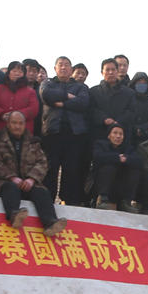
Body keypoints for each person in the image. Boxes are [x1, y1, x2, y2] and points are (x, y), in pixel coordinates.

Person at [0, 111, 66, 236]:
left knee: (42, 192)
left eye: (20, 123)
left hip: (28, 184)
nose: (17, 126)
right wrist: (11, 177)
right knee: (10, 188)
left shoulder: (34, 142)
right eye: (14, 123)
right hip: (4, 183)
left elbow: (42, 163)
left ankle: (50, 223)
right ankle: (14, 215)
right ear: (8, 124)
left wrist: (31, 179)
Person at [39, 56, 91, 205]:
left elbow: (82, 103)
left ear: (71, 69)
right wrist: (67, 96)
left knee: (71, 169)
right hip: (52, 132)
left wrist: (61, 103)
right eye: (60, 65)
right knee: (50, 168)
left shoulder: (81, 87)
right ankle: (47, 201)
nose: (63, 67)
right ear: (55, 68)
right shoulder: (47, 83)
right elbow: (46, 95)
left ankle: (68, 201)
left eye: (67, 65)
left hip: (74, 134)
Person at [90, 123, 142, 211]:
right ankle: (103, 200)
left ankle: (126, 202)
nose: (118, 136)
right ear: (109, 135)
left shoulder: (128, 148)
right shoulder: (100, 144)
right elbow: (97, 157)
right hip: (102, 182)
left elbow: (138, 160)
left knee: (135, 170)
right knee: (109, 167)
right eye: (115, 133)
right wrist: (117, 158)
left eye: (121, 134)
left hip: (121, 184)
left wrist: (126, 159)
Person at [89, 58, 135, 144]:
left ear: (117, 71)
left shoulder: (129, 93)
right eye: (107, 70)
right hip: (99, 134)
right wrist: (104, 119)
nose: (110, 72)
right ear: (102, 72)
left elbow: (131, 111)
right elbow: (91, 110)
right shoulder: (93, 91)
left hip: (122, 135)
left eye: (113, 69)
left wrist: (118, 122)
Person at [0, 61, 39, 134]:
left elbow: (34, 109)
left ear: (23, 74)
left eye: (20, 72)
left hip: (24, 131)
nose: (17, 73)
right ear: (8, 73)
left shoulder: (30, 91)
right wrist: (1, 114)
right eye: (14, 71)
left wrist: (17, 115)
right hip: (0, 129)